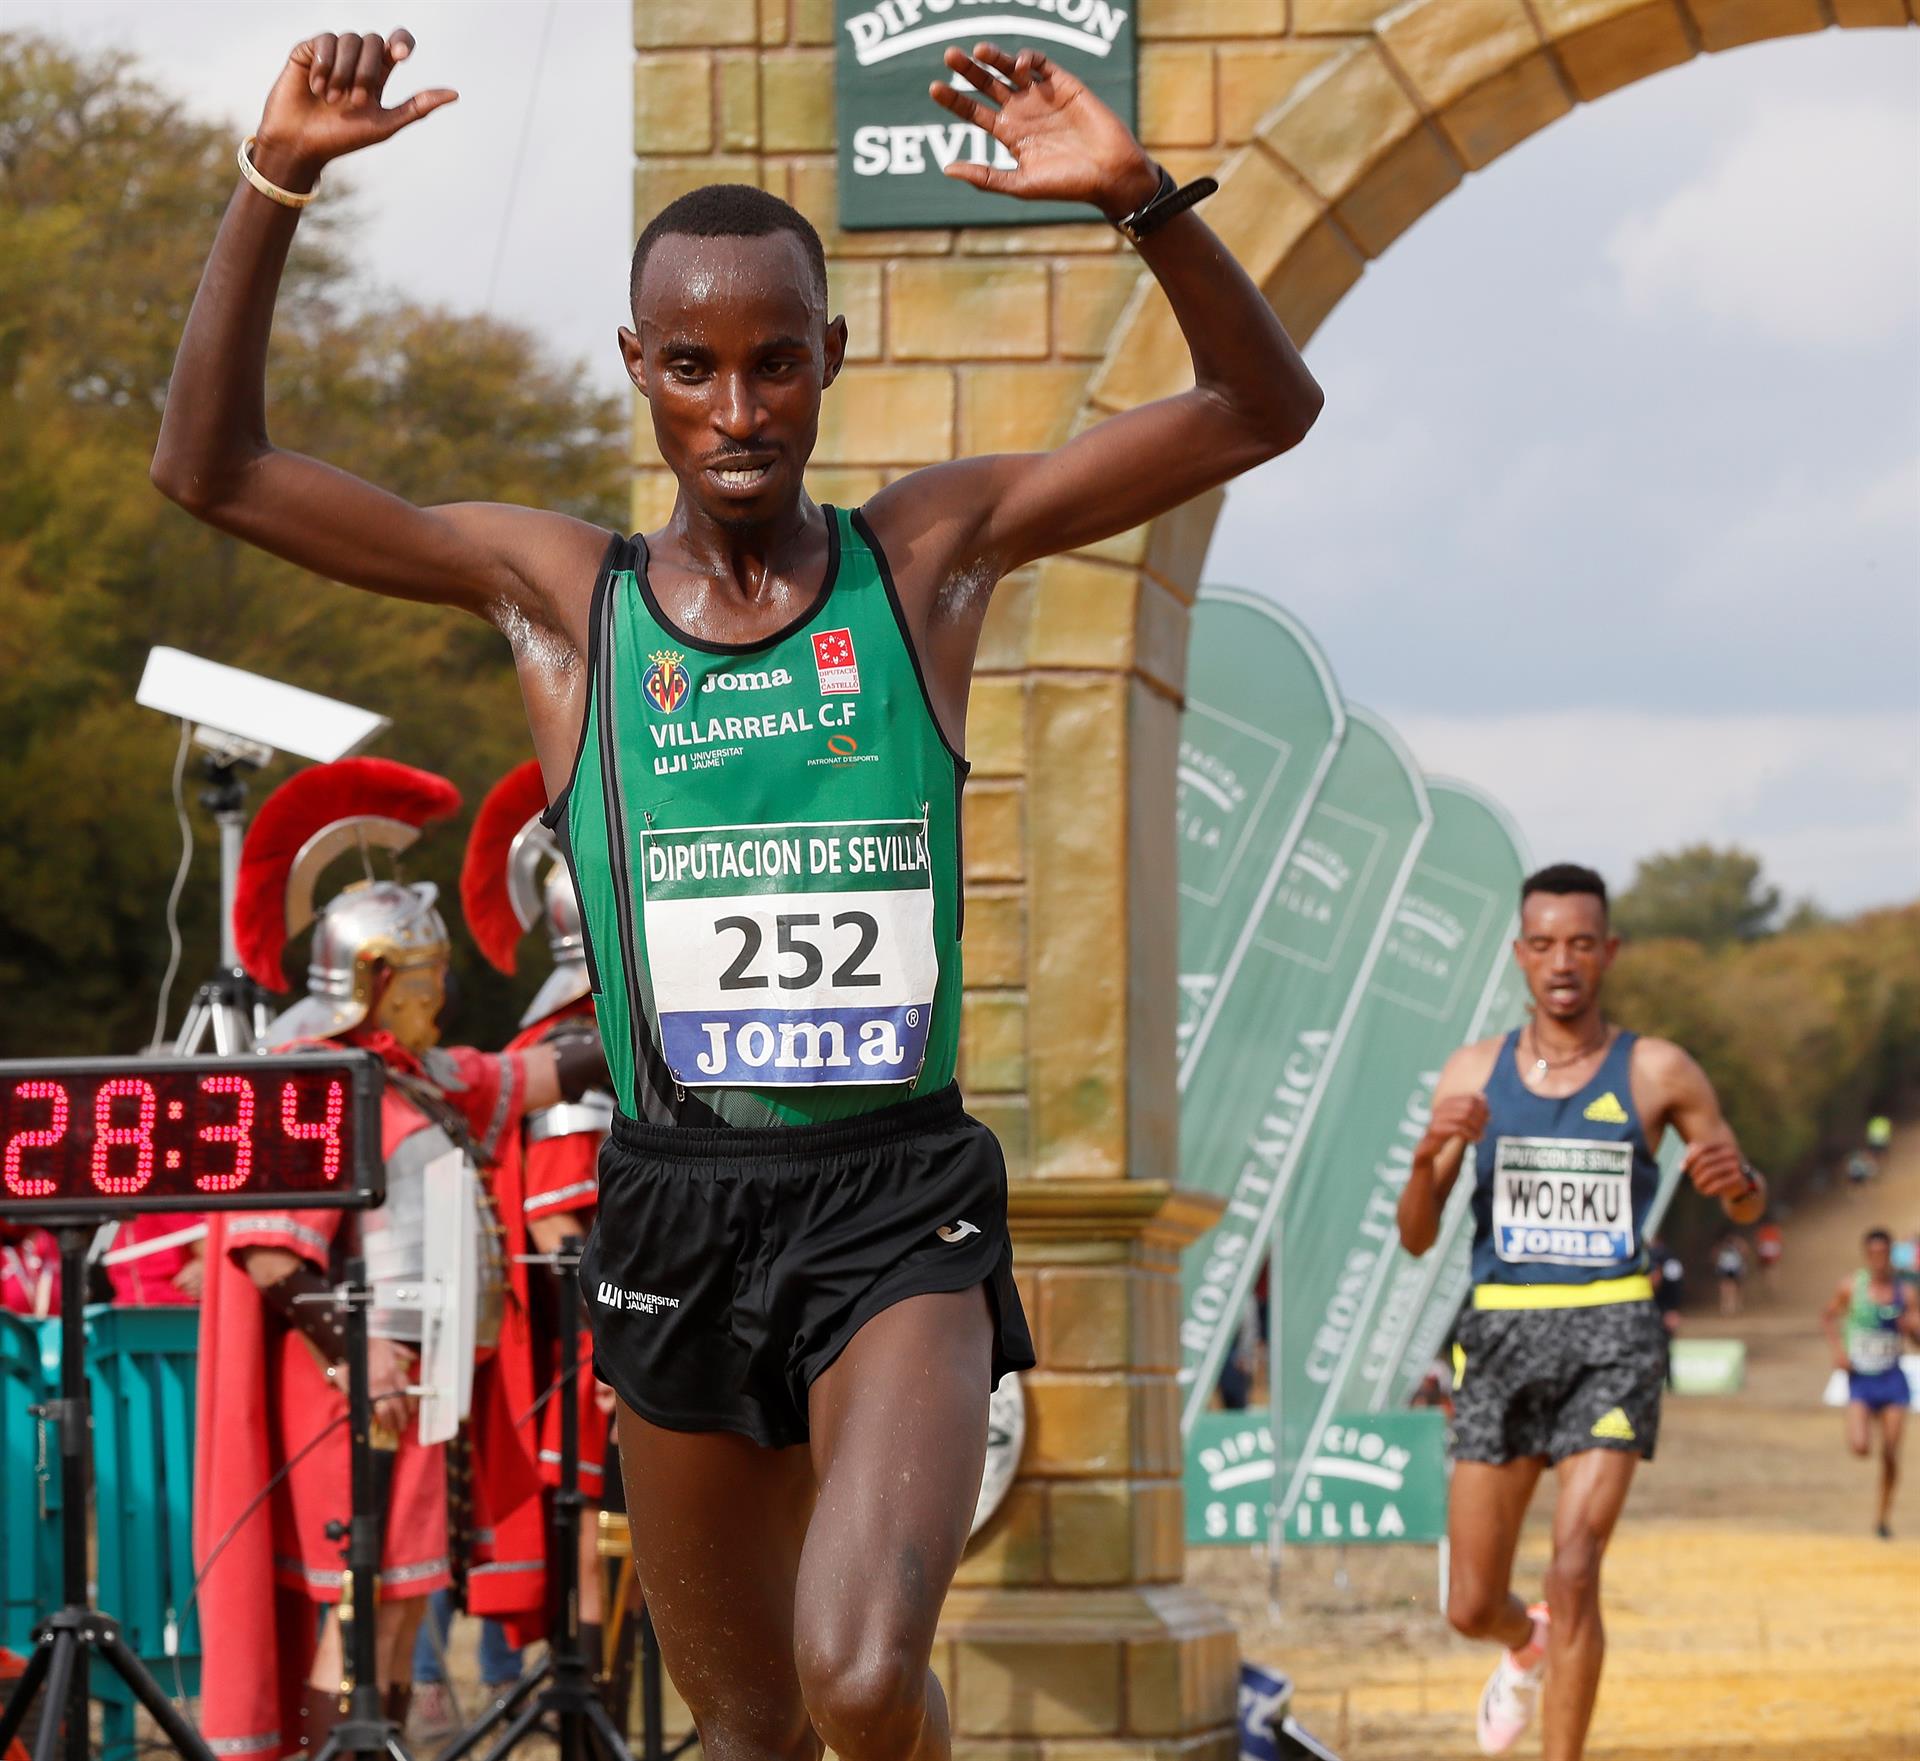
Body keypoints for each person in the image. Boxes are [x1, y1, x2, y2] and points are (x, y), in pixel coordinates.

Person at [152, 27, 1321, 1760]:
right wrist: (274, 184)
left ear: (831, 357)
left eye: (779, 364)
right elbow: (215, 473)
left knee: (861, 1675)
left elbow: (1259, 408)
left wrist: (1144, 200)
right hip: (675, 1199)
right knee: (753, 1722)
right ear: (637, 365)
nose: (741, 410)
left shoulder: (922, 558)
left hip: (889, 1194)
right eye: (694, 367)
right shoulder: (567, 598)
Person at [193, 758, 591, 1756]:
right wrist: (358, 1351)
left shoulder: (418, 1076)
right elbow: (273, 1257)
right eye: (428, 977)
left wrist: (644, 1021)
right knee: (359, 1606)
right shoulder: (313, 1080)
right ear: (376, 979)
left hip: (422, 1383)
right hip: (352, 1383)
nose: (445, 993)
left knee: (404, 1613)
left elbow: (533, 1073)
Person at [1396, 863, 1765, 1761]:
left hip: (1613, 1333)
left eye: (1582, 942)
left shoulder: (1658, 1068)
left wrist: (1743, 1188)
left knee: (1575, 1565)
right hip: (1500, 1332)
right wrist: (1427, 1155)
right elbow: (1415, 1235)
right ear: (1520, 953)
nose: (1563, 960)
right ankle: (1523, 1642)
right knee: (1470, 1602)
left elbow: (1744, 1201)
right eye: (1546, 942)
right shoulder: (1474, 1068)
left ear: (1609, 952)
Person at [1820, 1227, 1920, 1539]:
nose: (1879, 1260)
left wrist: (1911, 1329)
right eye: (1873, 1254)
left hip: (1892, 1378)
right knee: (1860, 1447)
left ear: (1891, 1254)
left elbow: (1917, 1339)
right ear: (1866, 1255)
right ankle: (1869, 1422)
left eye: (1884, 1253)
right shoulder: (1851, 1287)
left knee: (1890, 1452)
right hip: (1861, 1379)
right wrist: (1838, 1352)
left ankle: (1882, 1517)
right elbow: (1828, 1316)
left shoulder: (1906, 1293)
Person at [1648, 1235, 1684, 1389]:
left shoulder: (1668, 1260)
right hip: (1647, 1307)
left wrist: (1673, 1310)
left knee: (1664, 1346)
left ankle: (1668, 1380)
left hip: (1663, 1308)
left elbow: (1676, 1286)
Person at [1713, 1230, 1749, 1317]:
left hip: (1731, 1267)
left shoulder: (1735, 1244)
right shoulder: (1723, 1246)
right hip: (1727, 1267)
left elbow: (1745, 1251)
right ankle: (1728, 1307)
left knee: (1730, 1287)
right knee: (1727, 1287)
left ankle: (1730, 1307)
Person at [1752, 1219, 1782, 1299]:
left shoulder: (1761, 1231)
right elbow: (1779, 1241)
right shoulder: (1774, 1230)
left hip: (1764, 1250)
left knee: (1764, 1269)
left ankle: (1767, 1284)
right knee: (1773, 1268)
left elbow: (1757, 1242)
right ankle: (1772, 1285)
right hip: (1772, 1250)